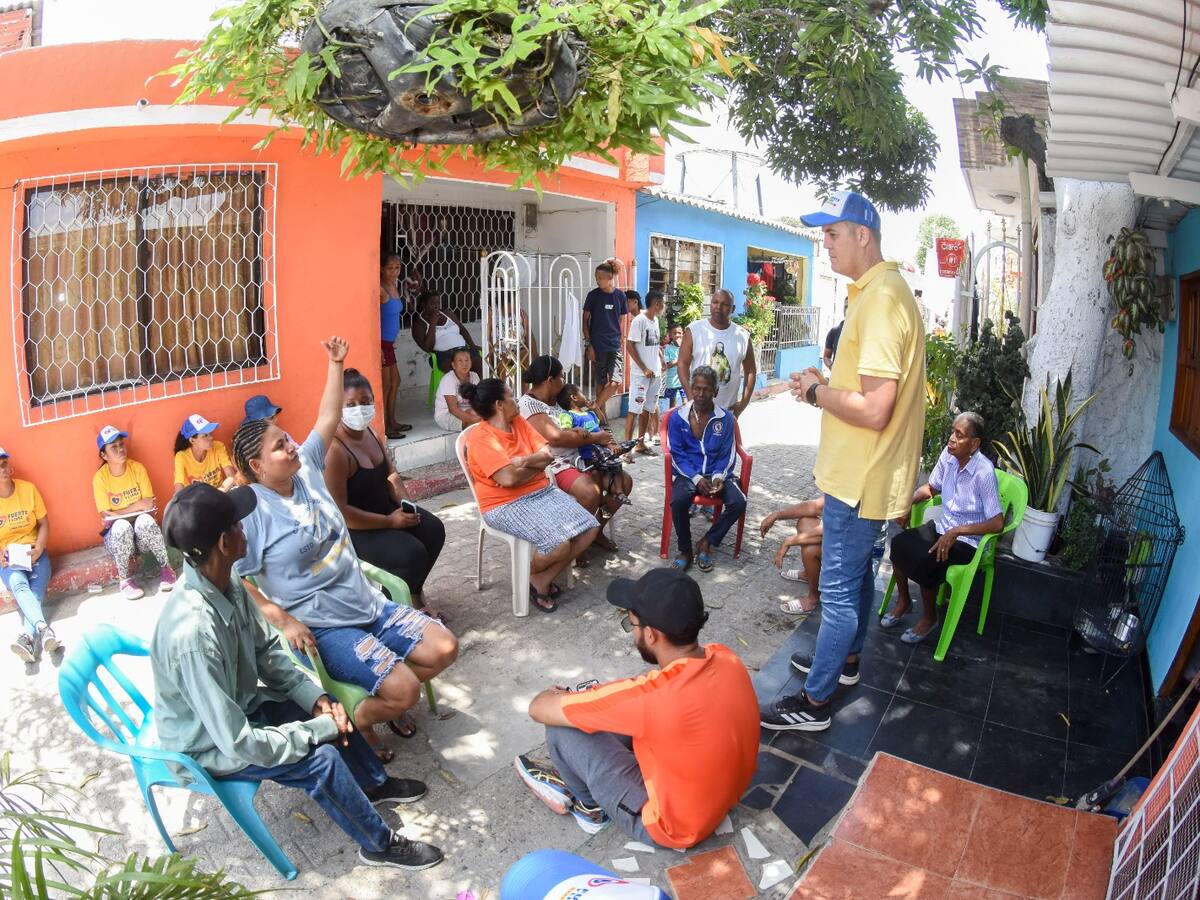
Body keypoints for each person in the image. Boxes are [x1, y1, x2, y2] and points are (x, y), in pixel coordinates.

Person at [154, 483, 444, 872]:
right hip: (210, 744)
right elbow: (236, 741)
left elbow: (266, 654)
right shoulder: (193, 635)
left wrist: (315, 700)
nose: (247, 528)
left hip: (241, 708)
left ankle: (372, 784)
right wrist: (317, 729)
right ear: (225, 542)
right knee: (321, 757)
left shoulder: (226, 581)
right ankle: (379, 844)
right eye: (240, 525)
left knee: (329, 704)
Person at [231, 337, 458, 762]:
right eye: (279, 447)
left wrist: (336, 364)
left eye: (287, 439)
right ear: (258, 468)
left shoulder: (309, 469)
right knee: (405, 689)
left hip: (367, 603)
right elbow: (236, 578)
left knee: (445, 648)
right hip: (326, 628)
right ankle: (364, 718)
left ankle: (382, 693)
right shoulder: (252, 512)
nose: (292, 446)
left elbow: (329, 415)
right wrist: (282, 618)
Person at [761, 190, 925, 734]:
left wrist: (814, 393)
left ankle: (814, 703)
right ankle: (845, 663)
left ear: (863, 236)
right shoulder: (883, 291)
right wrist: (827, 386)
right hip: (864, 475)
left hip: (859, 477)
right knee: (853, 581)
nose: (823, 244)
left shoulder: (879, 300)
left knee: (836, 592)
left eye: (831, 234)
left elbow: (876, 409)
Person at [516, 569, 759, 845]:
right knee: (603, 717)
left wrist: (553, 695)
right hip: (724, 796)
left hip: (673, 826)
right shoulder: (726, 656)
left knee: (562, 731)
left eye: (631, 624)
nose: (631, 632)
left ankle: (590, 810)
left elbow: (539, 709)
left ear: (652, 634)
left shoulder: (653, 698)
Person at [462, 378, 599, 612]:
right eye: (511, 396)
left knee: (590, 528)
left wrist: (524, 461)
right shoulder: (481, 438)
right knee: (560, 545)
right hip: (503, 504)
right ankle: (534, 575)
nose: (517, 399)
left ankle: (539, 578)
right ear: (499, 404)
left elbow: (548, 455)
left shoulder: (519, 423)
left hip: (541, 491)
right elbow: (508, 480)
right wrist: (533, 467)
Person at [325, 367, 448, 628]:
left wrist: (407, 504)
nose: (360, 409)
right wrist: (390, 522)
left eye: (366, 401)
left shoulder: (371, 433)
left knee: (433, 529)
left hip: (386, 510)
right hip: (358, 528)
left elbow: (391, 476)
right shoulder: (335, 451)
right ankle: (395, 613)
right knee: (411, 553)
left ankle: (412, 594)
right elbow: (343, 512)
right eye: (351, 404)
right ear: (337, 406)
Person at [880, 412, 1003, 643]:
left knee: (929, 559)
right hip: (941, 528)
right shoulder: (948, 456)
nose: (952, 439)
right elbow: (931, 489)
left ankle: (929, 618)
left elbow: (997, 522)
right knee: (899, 544)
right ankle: (904, 601)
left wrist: (956, 532)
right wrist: (907, 504)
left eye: (960, 435)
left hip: (967, 541)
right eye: (952, 432)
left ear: (974, 444)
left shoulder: (984, 472)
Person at [517, 356, 631, 556]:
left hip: (581, 456)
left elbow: (578, 425)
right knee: (590, 492)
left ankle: (594, 530)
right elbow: (557, 439)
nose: (564, 381)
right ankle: (577, 544)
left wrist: (596, 435)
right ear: (550, 380)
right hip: (553, 463)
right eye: (561, 376)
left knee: (624, 482)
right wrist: (598, 437)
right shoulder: (529, 404)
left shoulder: (558, 399)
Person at [665, 368, 747, 573]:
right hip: (688, 474)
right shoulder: (678, 417)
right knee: (678, 500)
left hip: (718, 473)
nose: (701, 394)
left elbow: (728, 454)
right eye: (697, 389)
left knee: (739, 502)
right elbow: (676, 454)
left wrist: (719, 477)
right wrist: (696, 478)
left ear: (716, 391)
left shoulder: (726, 419)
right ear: (691, 389)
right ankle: (685, 550)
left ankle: (707, 542)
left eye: (707, 389)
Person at [92, 425, 175, 601]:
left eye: (121, 444)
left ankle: (166, 569)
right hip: (118, 540)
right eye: (113, 447)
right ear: (104, 455)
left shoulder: (137, 468)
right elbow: (106, 515)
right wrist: (136, 506)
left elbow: (149, 504)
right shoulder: (100, 478)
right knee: (121, 526)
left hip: (142, 536)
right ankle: (124, 580)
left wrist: (121, 511)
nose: (120, 449)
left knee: (144, 521)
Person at [0, 447, 61, 665]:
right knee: (19, 584)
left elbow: (44, 523)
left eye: (4, 463)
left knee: (35, 592)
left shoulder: (28, 489)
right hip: (10, 560)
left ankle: (26, 638)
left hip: (36, 553)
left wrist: (39, 548)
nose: (2, 469)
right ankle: (43, 630)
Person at [677, 289, 755, 416]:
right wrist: (691, 398)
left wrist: (743, 403)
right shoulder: (695, 330)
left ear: (733, 308)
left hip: (728, 411)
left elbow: (750, 371)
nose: (718, 307)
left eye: (724, 304)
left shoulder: (742, 336)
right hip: (698, 410)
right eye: (715, 302)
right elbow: (682, 364)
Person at [760, 497, 825, 615]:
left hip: (848, 551)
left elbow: (831, 532)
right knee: (805, 520)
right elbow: (815, 506)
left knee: (810, 549)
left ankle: (813, 599)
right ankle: (810, 573)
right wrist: (777, 515)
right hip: (836, 540)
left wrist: (789, 541)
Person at [583, 260, 627, 422]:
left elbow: (621, 321)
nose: (597, 280)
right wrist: (589, 345)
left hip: (614, 346)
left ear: (610, 278)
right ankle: (601, 415)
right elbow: (585, 320)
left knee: (615, 382)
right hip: (597, 346)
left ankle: (594, 406)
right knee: (600, 381)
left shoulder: (620, 296)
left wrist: (621, 339)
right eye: (596, 277)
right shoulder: (593, 296)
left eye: (600, 277)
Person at [624, 291, 665, 455]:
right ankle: (626, 449)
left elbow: (653, 346)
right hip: (641, 376)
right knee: (634, 410)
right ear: (656, 304)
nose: (664, 306)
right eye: (663, 302)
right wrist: (644, 368)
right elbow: (629, 345)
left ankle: (640, 443)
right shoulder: (639, 320)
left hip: (655, 375)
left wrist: (660, 361)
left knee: (648, 409)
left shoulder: (655, 320)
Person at [412, 290, 483, 375]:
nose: (436, 306)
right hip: (444, 355)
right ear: (424, 305)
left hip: (463, 349)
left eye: (438, 303)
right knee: (457, 373)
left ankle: (479, 388)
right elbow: (428, 348)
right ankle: (463, 388)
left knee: (481, 367)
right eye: (432, 303)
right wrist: (433, 323)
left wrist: (472, 345)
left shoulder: (447, 313)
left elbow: (462, 330)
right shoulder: (419, 325)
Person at [379, 254, 411, 439]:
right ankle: (386, 427)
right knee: (387, 385)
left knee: (395, 382)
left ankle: (392, 420)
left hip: (389, 343)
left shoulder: (394, 286)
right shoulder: (380, 289)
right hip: (382, 344)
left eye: (397, 267)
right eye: (390, 268)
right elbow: (373, 318)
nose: (394, 271)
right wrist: (378, 347)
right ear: (382, 269)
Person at [173, 414, 236, 493]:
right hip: (195, 500)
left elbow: (231, 476)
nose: (211, 437)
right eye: (205, 435)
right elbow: (179, 485)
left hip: (219, 494)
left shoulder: (218, 446)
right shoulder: (181, 456)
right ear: (192, 440)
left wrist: (220, 491)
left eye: (210, 433)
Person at [433, 348, 481, 432]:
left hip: (467, 410)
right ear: (453, 365)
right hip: (447, 414)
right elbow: (453, 409)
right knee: (473, 425)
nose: (464, 364)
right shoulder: (448, 379)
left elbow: (477, 401)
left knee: (485, 417)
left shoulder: (475, 376)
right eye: (460, 361)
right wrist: (473, 420)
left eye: (467, 360)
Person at [660, 322, 684, 415]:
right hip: (672, 381)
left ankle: (684, 420)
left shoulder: (686, 347)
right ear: (670, 335)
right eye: (674, 333)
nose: (677, 335)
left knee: (686, 403)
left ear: (683, 334)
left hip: (684, 380)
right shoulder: (668, 349)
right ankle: (671, 420)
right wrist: (679, 359)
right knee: (672, 404)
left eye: (679, 333)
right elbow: (667, 365)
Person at [823, 298, 848, 371]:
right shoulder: (834, 332)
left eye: (851, 306)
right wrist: (831, 366)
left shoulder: (864, 332)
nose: (848, 310)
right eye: (846, 306)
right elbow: (826, 357)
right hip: (836, 379)